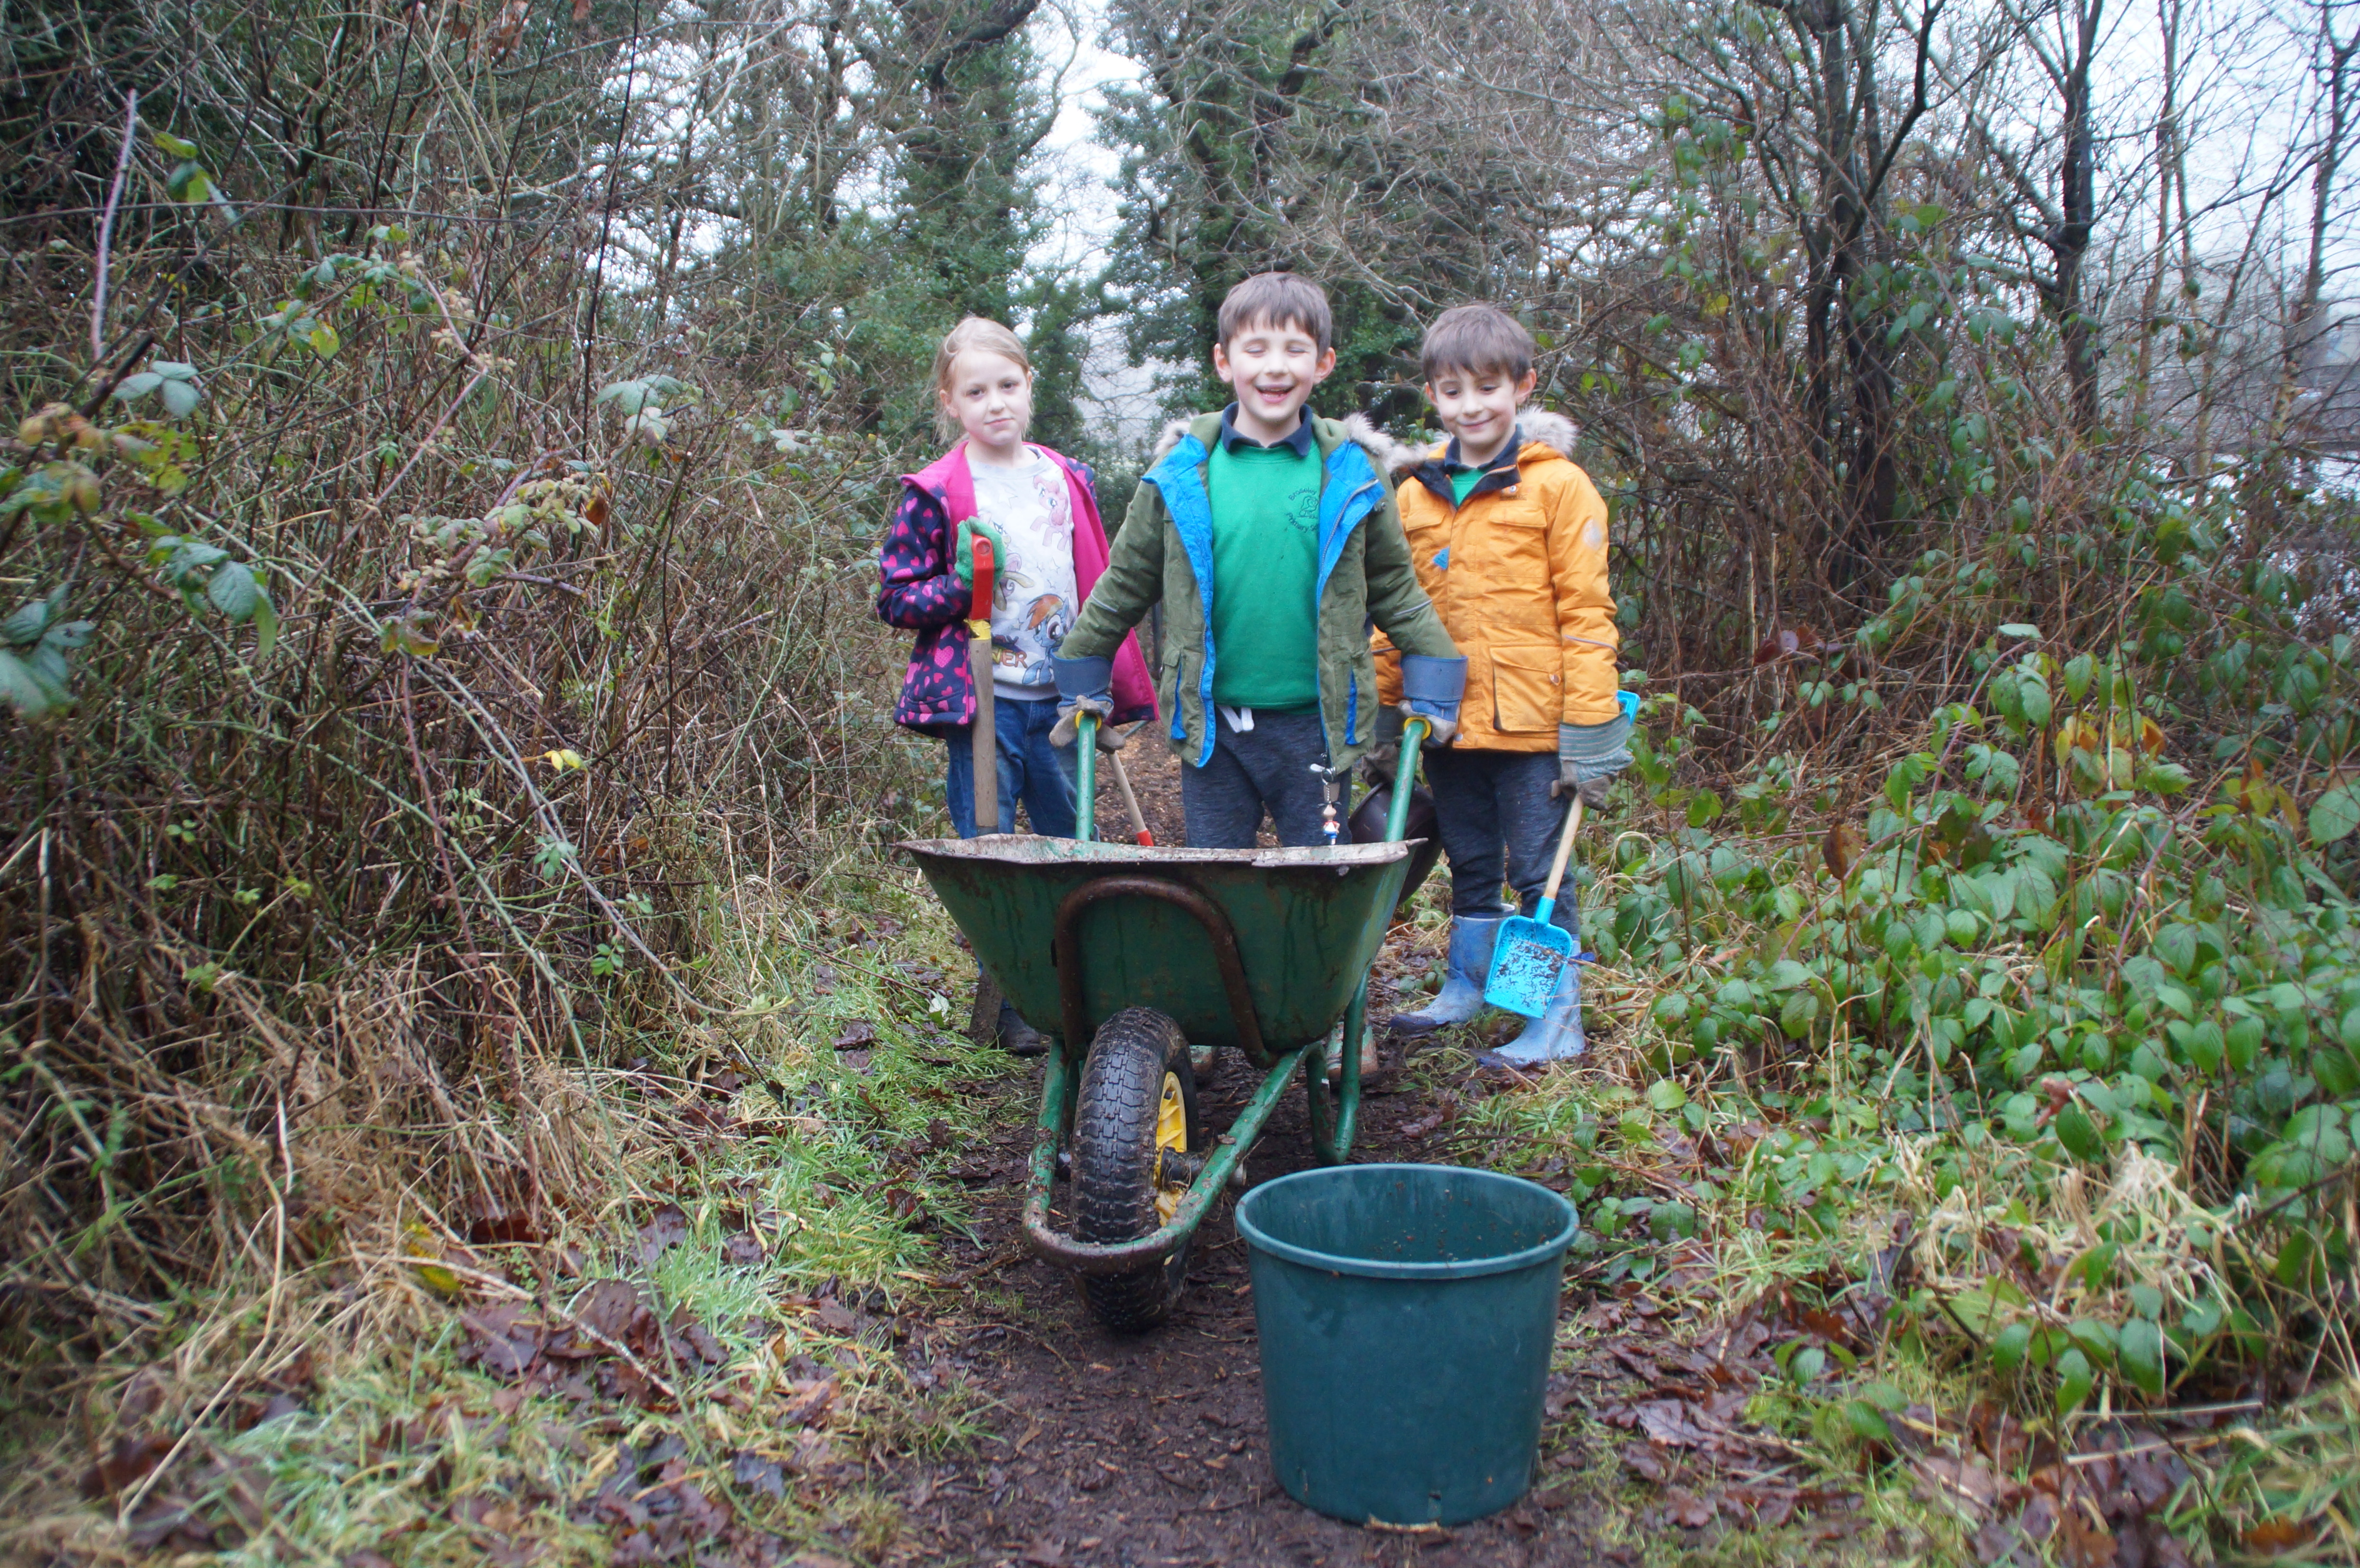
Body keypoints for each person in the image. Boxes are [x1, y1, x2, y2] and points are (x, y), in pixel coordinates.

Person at [1052, 271, 1463, 850]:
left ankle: (1313, 945)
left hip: (1316, 729)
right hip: (1213, 730)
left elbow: (1394, 586)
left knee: (1322, 883)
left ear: (1323, 363)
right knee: (1216, 880)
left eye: (1295, 350)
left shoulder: (1350, 473)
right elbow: (1125, 583)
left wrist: (1440, 676)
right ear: (1224, 361)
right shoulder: (1179, 474)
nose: (1276, 368)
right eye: (1257, 349)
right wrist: (1079, 673)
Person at [876, 316, 1155, 1050]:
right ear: (950, 401)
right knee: (991, 854)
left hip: (1065, 703)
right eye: (977, 391)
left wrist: (1109, 675)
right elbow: (895, 597)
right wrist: (955, 587)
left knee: (1075, 846)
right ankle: (1012, 1001)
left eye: (1008, 385)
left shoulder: (1065, 477)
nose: (995, 402)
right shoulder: (934, 491)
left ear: (1030, 386)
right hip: (983, 705)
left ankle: (1079, 992)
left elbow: (1099, 574)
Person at [1372, 304, 1632, 1066]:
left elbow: (1588, 614)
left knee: (1538, 870)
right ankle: (1470, 986)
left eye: (1487, 387)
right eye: (1452, 392)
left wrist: (1590, 732)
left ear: (1523, 385)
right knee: (1471, 858)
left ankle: (1552, 1017)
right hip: (1446, 719)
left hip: (1536, 724)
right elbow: (1397, 613)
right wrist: (1390, 716)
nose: (1471, 406)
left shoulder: (1559, 487)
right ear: (1433, 398)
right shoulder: (1416, 493)